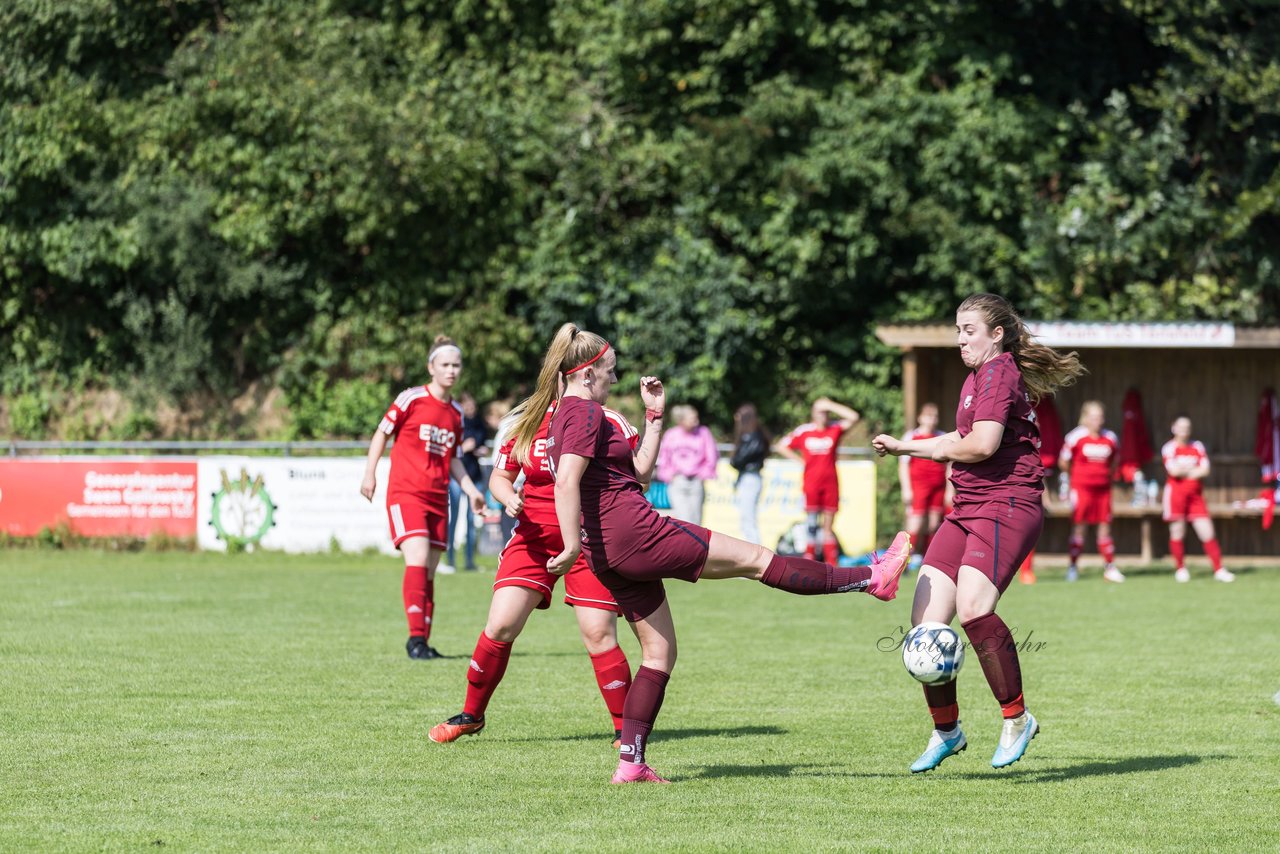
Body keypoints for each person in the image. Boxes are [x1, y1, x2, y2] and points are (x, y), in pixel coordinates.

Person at [537, 322, 912, 784]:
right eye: (611, 373)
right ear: (588, 373)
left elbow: (638, 474)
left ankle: (631, 763)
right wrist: (570, 541)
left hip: (609, 550)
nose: (616, 381)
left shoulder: (565, 414)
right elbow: (566, 481)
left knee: (659, 653)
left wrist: (655, 418)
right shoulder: (585, 412)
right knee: (759, 560)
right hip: (635, 533)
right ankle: (871, 578)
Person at [873, 293, 1085, 773]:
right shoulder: (975, 379)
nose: (961, 338)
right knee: (926, 624)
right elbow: (956, 440)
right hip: (969, 507)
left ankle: (1016, 719)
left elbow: (983, 445)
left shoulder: (999, 372)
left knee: (973, 609)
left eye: (970, 329)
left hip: (1007, 504)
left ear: (997, 334)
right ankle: (946, 730)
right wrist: (905, 446)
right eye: (957, 329)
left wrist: (925, 450)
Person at [429, 401, 640, 747]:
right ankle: (471, 715)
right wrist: (507, 496)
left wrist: (654, 422)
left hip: (590, 541)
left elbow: (638, 472)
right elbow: (500, 477)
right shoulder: (528, 420)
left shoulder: (608, 419)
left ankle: (625, 730)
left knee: (598, 633)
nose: (607, 379)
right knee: (500, 625)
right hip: (534, 539)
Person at [360, 335, 488, 660]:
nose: (451, 370)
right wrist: (370, 473)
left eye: (456, 365)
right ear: (431, 367)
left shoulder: (457, 413)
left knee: (429, 572)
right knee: (416, 558)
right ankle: (415, 640)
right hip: (407, 493)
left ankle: (423, 641)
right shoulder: (411, 399)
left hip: (437, 497)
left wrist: (473, 491)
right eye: (445, 364)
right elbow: (382, 432)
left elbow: (455, 459)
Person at [776, 398, 862, 564]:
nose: (823, 415)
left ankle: (831, 564)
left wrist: (830, 404)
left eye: (825, 412)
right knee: (811, 524)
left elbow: (854, 417)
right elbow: (781, 445)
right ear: (813, 413)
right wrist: (800, 460)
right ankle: (810, 561)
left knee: (828, 527)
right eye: (820, 411)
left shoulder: (834, 429)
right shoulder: (804, 431)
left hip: (831, 484)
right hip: (811, 484)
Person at [1162, 416, 1235, 583]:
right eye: (1180, 427)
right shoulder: (1169, 448)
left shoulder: (1197, 446)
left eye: (1187, 427)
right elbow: (1173, 471)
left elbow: (1205, 470)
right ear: (1173, 428)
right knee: (1177, 532)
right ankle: (1180, 569)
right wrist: (1193, 470)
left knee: (1207, 532)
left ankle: (1218, 569)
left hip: (1196, 497)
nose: (1184, 430)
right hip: (1176, 495)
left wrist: (1186, 470)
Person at [1059, 401, 1123, 583]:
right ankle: (1072, 567)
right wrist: (1078, 478)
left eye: (1100, 417)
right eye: (1094, 417)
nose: (1098, 421)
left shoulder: (1110, 437)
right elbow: (1063, 462)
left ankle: (1110, 568)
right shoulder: (1075, 437)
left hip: (1103, 490)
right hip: (1081, 489)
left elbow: (1115, 461)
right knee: (1080, 527)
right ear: (1085, 418)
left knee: (1105, 527)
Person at [899, 403, 948, 571]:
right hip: (918, 486)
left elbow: (950, 465)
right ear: (920, 417)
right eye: (928, 416)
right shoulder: (911, 436)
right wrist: (906, 489)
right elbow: (903, 465)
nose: (931, 420)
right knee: (915, 524)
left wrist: (950, 489)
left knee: (934, 524)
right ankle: (903, 561)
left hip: (938, 486)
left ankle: (928, 560)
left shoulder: (942, 436)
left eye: (934, 416)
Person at [445, 392, 488, 573]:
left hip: (475, 476)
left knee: (472, 521)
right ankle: (450, 561)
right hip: (457, 478)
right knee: (453, 519)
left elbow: (481, 444)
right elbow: (450, 450)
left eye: (473, 407)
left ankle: (469, 561)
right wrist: (464, 448)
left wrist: (480, 450)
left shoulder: (479, 425)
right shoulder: (455, 424)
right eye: (467, 407)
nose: (471, 411)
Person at [656, 404, 719, 525]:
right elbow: (664, 457)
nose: (696, 421)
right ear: (681, 420)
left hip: (696, 480)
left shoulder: (703, 433)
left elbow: (712, 456)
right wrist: (669, 475)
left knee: (696, 521)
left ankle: (697, 544)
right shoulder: (671, 434)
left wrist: (703, 474)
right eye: (692, 418)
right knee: (683, 519)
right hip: (678, 480)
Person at [729, 403, 769, 544]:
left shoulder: (754, 437)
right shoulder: (751, 436)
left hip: (750, 478)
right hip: (747, 477)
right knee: (745, 518)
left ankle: (755, 553)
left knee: (748, 518)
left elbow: (737, 460)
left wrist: (735, 459)